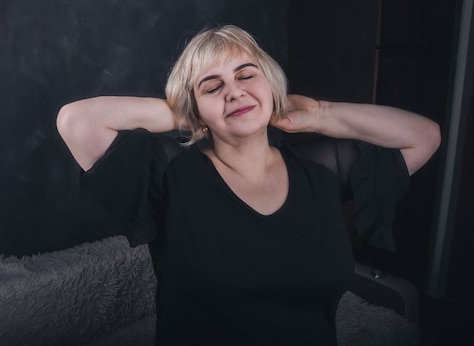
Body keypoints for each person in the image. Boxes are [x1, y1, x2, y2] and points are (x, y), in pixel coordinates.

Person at [56, 25, 440, 345]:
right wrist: (185, 111)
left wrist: (322, 113)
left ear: (270, 84)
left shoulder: (322, 169)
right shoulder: (171, 174)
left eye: (246, 75)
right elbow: (78, 122)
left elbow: (423, 135)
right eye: (212, 86)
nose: (234, 91)